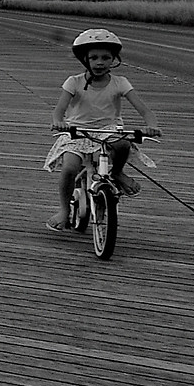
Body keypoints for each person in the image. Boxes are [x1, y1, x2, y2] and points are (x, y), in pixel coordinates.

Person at [44, 27, 158, 233]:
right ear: (84, 59)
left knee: (122, 144)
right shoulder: (74, 82)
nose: (100, 63)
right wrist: (58, 122)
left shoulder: (120, 82)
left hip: (108, 129)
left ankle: (118, 173)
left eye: (106, 58)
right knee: (70, 168)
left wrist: (151, 125)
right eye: (94, 57)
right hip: (78, 130)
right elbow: (59, 111)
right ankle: (63, 210)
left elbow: (144, 109)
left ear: (114, 59)